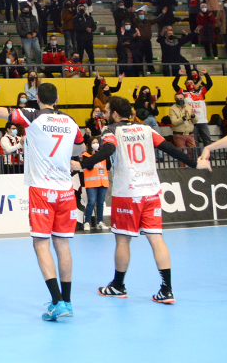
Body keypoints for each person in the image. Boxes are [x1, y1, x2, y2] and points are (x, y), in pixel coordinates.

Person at [0, 82, 82, 322]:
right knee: (62, 245)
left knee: (41, 244)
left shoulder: (32, 115)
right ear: (57, 99)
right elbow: (80, 148)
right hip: (66, 191)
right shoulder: (70, 121)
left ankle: (56, 302)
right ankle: (68, 301)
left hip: (42, 190)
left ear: (37, 99)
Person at [79, 96, 207, 303]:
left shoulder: (111, 130)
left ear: (115, 114)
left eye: (108, 110)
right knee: (157, 238)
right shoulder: (146, 129)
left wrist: (84, 164)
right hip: (151, 191)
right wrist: (194, 164)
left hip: (127, 193)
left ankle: (118, 285)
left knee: (122, 239)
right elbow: (170, 148)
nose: (105, 113)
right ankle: (167, 290)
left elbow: (109, 149)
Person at [174, 68, 213, 147]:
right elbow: (174, 85)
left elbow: (210, 84)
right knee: (194, 141)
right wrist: (178, 75)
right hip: (191, 121)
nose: (189, 83)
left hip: (202, 120)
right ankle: (197, 157)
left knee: (207, 139)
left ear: (194, 84)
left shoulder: (201, 92)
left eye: (191, 82)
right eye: (187, 82)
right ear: (185, 85)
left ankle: (208, 156)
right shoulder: (183, 93)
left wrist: (206, 74)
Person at [79, 135, 108, 231]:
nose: (95, 144)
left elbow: (108, 166)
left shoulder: (102, 154)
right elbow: (89, 167)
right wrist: (94, 156)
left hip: (103, 182)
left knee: (100, 203)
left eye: (97, 142)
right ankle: (87, 222)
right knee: (91, 202)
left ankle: (100, 221)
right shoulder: (86, 155)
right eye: (93, 143)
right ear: (90, 145)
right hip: (91, 183)